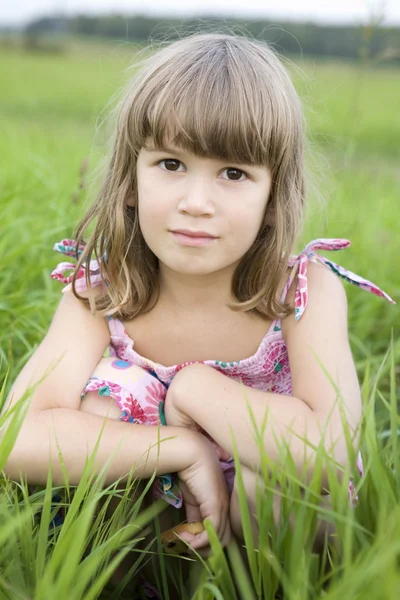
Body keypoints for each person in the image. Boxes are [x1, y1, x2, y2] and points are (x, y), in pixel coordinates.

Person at [3, 32, 394, 596]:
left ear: (272, 196)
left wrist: (194, 388)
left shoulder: (301, 294)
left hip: (280, 535)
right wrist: (181, 447)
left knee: (271, 479)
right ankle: (130, 585)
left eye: (233, 174)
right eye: (170, 164)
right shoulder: (103, 293)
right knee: (100, 404)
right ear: (131, 179)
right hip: (162, 536)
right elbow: (16, 439)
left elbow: (331, 455)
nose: (196, 202)